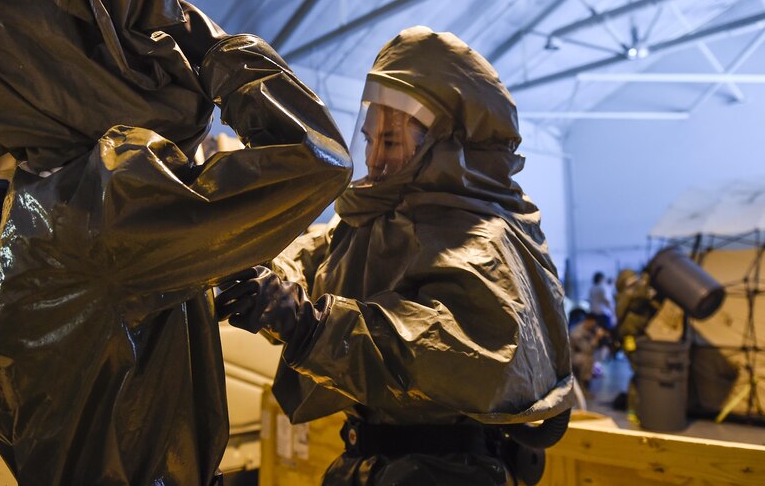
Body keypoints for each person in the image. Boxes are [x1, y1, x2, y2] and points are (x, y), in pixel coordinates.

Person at [0, 0, 351, 486]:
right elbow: (318, 158)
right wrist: (216, 48)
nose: (161, 53)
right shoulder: (113, 196)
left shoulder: (42, 197)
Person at [217, 26, 574, 485]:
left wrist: (309, 325)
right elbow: (304, 261)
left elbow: (449, 353)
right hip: (372, 463)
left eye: (391, 141)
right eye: (370, 139)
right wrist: (246, 266)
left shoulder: (485, 238)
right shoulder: (371, 221)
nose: (375, 158)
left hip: (446, 472)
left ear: (449, 145)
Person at [570, 313, 608, 393]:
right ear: (589, 321)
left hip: (579, 354)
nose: (594, 326)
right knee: (587, 360)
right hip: (571, 357)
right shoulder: (578, 332)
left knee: (589, 358)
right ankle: (583, 387)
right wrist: (597, 337)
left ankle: (584, 386)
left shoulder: (587, 330)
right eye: (593, 323)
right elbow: (587, 349)